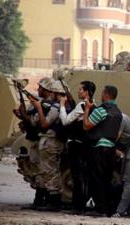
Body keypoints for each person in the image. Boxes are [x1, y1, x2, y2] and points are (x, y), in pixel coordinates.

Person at [13, 77, 54, 209]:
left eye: (41, 87)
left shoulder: (47, 106)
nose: (38, 89)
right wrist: (21, 114)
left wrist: (25, 115)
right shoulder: (41, 103)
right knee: (38, 171)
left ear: (47, 90)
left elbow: (33, 121)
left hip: (41, 140)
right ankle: (39, 200)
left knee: (43, 171)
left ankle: (46, 200)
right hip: (36, 140)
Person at [83, 85, 123, 217]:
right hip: (111, 148)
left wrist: (87, 109)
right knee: (107, 178)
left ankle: (99, 208)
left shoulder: (101, 110)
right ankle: (108, 208)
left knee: (97, 179)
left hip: (99, 148)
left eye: (102, 92)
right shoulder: (118, 112)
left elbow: (87, 125)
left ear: (106, 94)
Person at [59, 80, 96, 212]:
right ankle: (80, 204)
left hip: (76, 144)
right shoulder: (92, 105)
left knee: (76, 175)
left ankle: (78, 205)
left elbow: (65, 121)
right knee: (82, 175)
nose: (78, 91)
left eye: (81, 89)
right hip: (84, 145)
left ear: (87, 92)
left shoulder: (82, 105)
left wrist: (62, 105)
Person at [30, 79, 66, 211]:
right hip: (46, 140)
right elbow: (35, 123)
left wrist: (39, 108)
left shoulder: (56, 107)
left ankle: (54, 202)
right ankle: (42, 199)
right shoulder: (51, 105)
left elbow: (45, 124)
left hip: (51, 141)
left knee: (50, 171)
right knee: (44, 170)